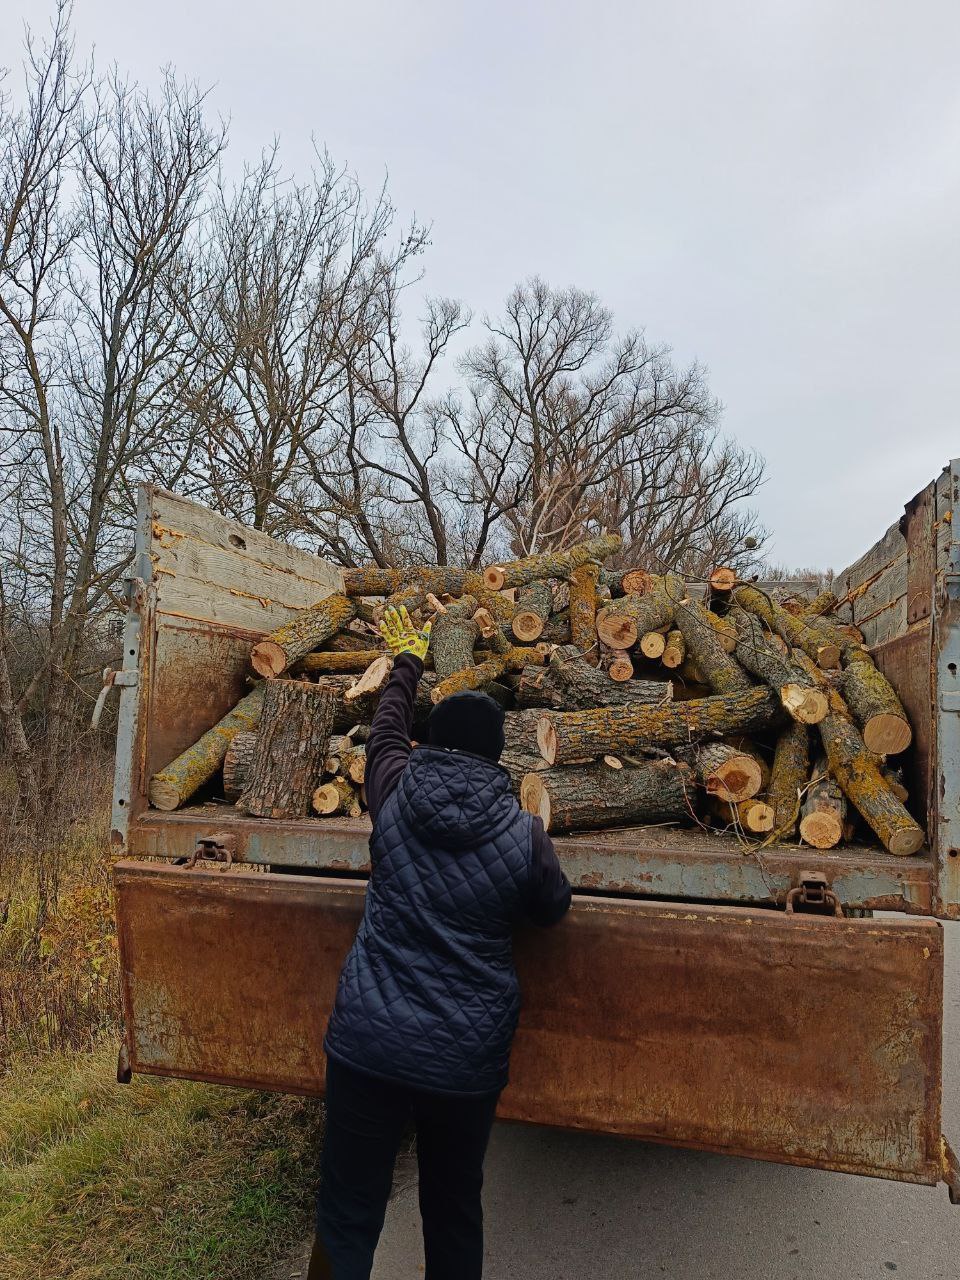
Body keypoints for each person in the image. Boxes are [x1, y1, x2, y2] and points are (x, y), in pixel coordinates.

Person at [309, 605, 571, 1280]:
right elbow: (552, 910)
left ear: (430, 742)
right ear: (495, 756)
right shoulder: (523, 835)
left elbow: (385, 732)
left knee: (347, 1209)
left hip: (368, 1043)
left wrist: (408, 660)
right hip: (464, 1058)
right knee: (453, 1210)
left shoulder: (393, 791)